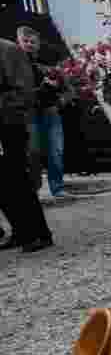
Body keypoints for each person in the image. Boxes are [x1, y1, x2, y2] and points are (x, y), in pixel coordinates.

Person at [0, 34, 53, 253]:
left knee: (16, 178)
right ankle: (21, 232)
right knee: (3, 182)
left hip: (8, 122)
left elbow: (24, 93)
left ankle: (38, 233)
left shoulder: (8, 49)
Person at [17, 26, 67, 197]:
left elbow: (67, 89)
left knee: (56, 150)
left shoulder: (47, 67)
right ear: (19, 43)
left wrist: (59, 99)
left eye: (33, 42)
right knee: (33, 152)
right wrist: (42, 89)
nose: (29, 44)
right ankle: (34, 190)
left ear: (38, 45)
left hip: (50, 112)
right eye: (25, 41)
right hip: (29, 113)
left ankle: (58, 189)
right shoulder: (13, 67)